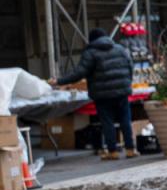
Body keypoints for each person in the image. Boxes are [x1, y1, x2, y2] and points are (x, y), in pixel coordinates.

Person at [50, 28, 135, 160]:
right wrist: (126, 83)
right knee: (125, 120)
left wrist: (59, 81)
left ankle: (112, 152)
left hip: (102, 95)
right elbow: (130, 67)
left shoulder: (90, 53)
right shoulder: (120, 49)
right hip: (122, 91)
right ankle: (130, 149)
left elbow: (79, 73)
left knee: (108, 122)